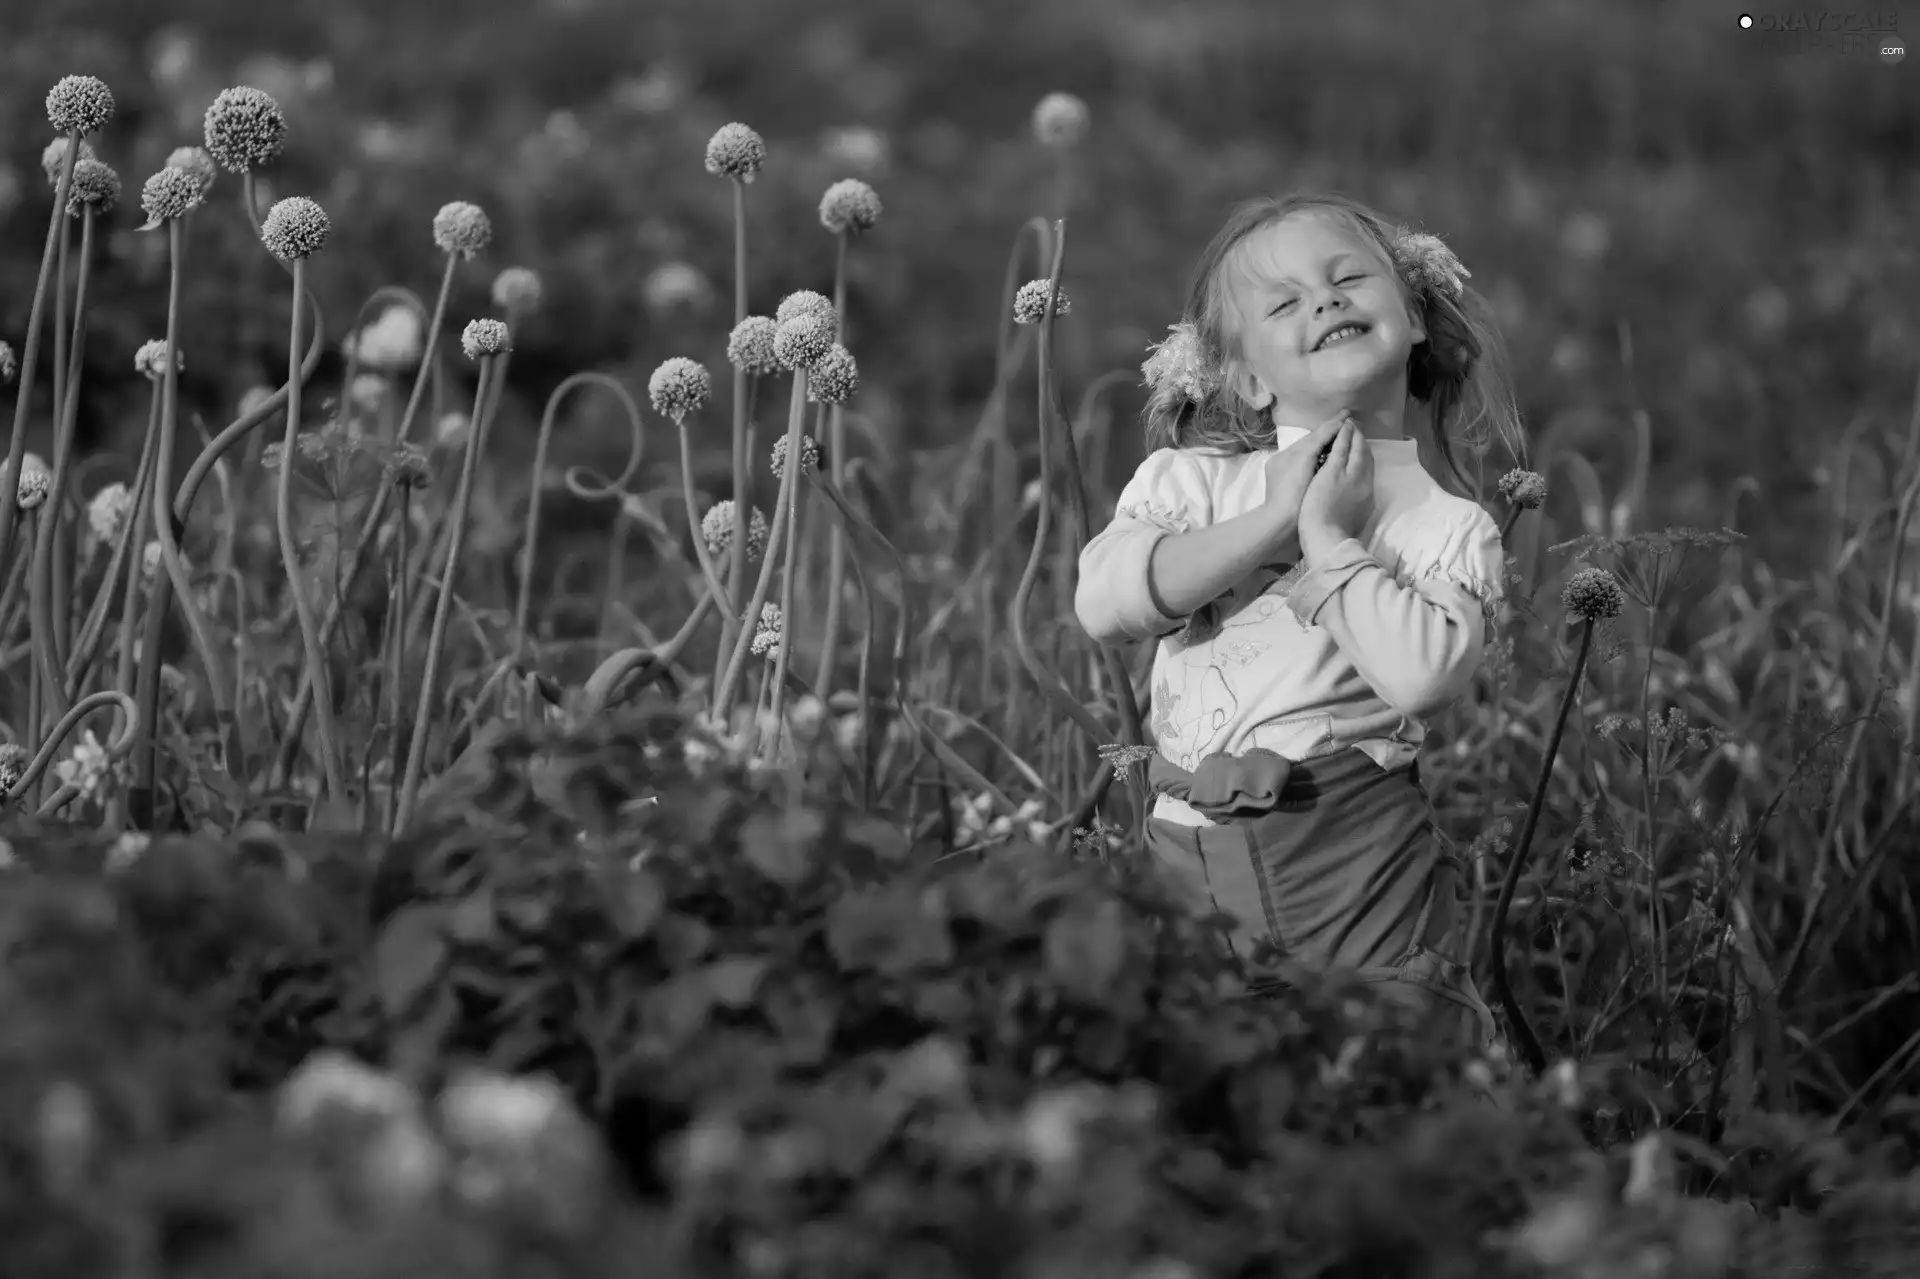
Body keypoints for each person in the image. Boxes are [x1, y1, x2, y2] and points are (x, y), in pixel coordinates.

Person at [1075, 191, 1526, 1051]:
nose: (1323, 300)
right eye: (1283, 303)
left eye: (1348, 278)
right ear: (1247, 377)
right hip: (1189, 850)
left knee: (1378, 1053)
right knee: (1195, 1054)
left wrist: (1327, 543)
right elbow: (1105, 602)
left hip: (1351, 852)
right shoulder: (1196, 484)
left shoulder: (1446, 526)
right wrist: (1270, 522)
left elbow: (1423, 676)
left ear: (1417, 317)